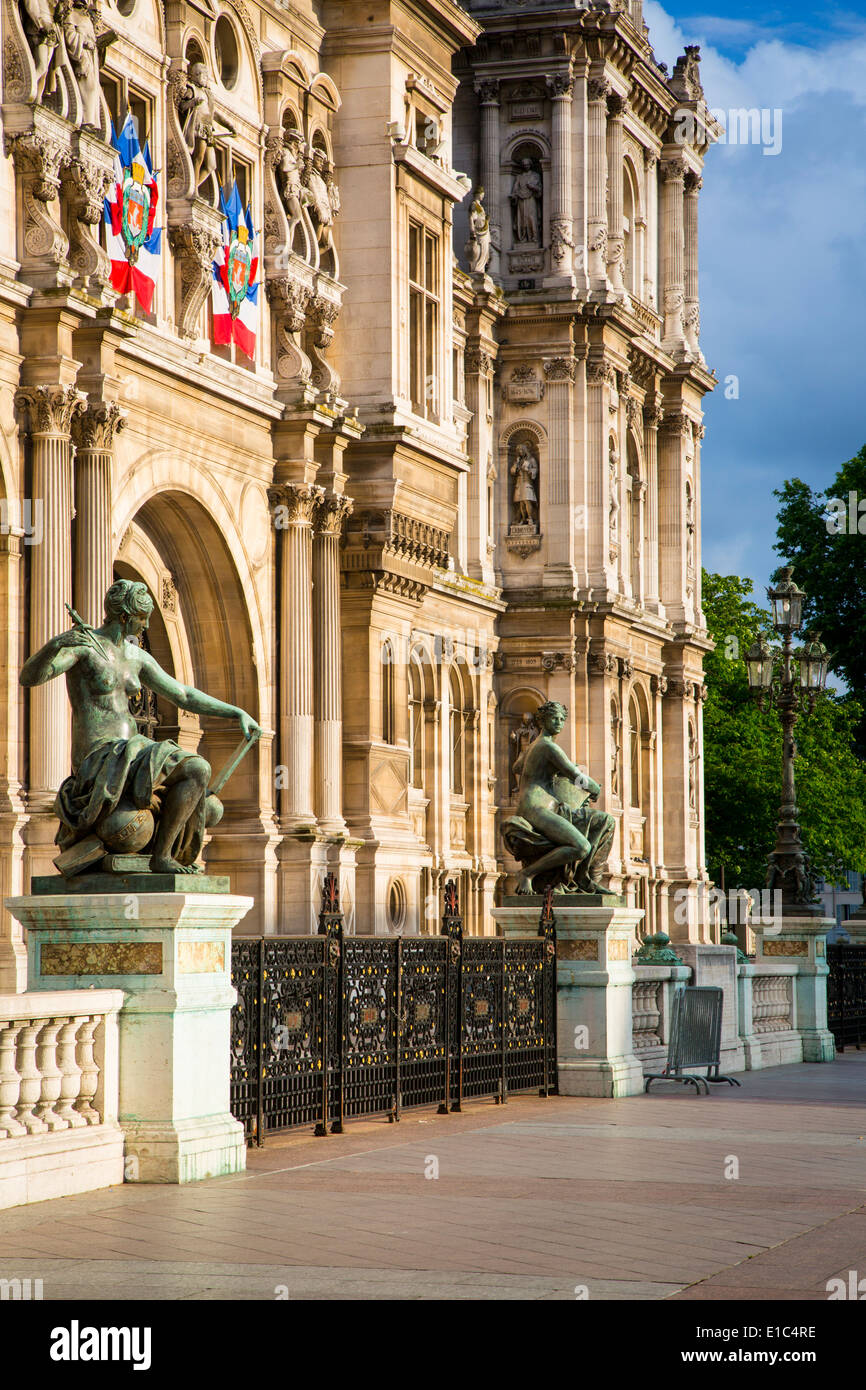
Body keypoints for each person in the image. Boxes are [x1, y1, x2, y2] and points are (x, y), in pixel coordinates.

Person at [20, 579, 261, 874]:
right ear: (124, 617)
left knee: (209, 804)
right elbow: (30, 677)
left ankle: (162, 852)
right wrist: (56, 644)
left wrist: (236, 713)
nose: (145, 626)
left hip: (133, 750)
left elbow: (183, 694)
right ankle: (161, 858)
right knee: (197, 769)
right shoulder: (84, 649)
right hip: (100, 755)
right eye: (142, 618)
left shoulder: (136, 657)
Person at [506, 701, 614, 894]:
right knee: (581, 846)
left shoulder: (533, 746)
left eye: (562, 719)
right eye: (553, 718)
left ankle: (584, 878)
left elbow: (517, 767)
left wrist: (546, 771)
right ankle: (527, 874)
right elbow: (576, 776)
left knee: (604, 821)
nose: (558, 722)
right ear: (542, 720)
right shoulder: (548, 747)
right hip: (536, 808)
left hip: (546, 806)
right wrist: (595, 788)